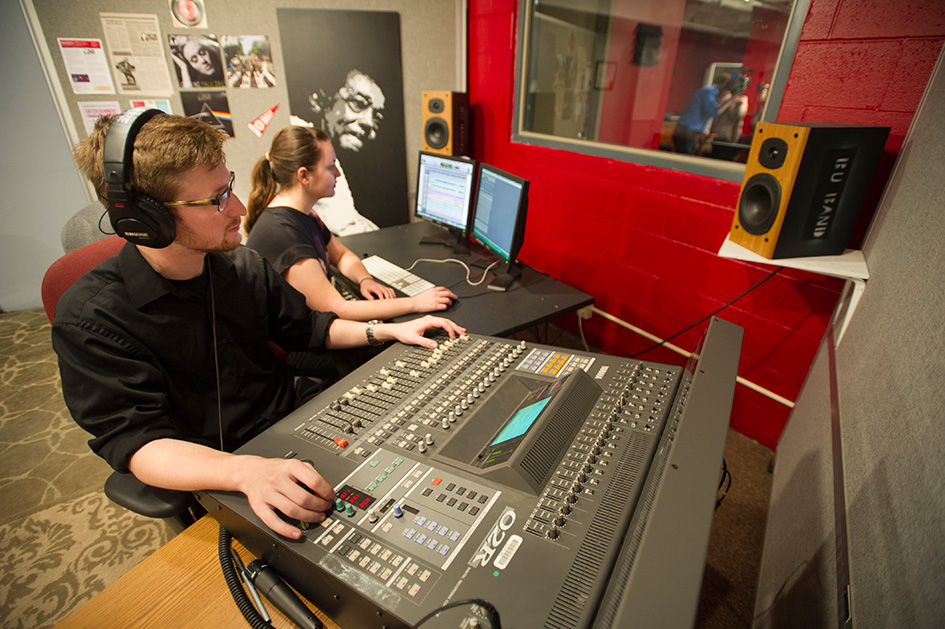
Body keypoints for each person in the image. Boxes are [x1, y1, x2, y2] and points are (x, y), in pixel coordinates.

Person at [53, 111, 466, 540]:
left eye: (228, 187)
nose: (237, 208)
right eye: (215, 200)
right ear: (146, 219)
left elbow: (312, 328)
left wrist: (388, 330)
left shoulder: (243, 266)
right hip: (218, 470)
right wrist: (242, 471)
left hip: (297, 421)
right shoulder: (90, 318)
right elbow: (137, 442)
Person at [245, 125, 457, 323]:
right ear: (304, 176)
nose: (337, 173)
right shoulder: (283, 235)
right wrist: (416, 303)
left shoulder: (305, 215)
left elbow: (342, 256)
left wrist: (364, 279)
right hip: (296, 353)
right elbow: (338, 309)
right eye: (330, 167)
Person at [290, 68, 388, 236]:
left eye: (376, 117)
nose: (368, 122)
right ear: (319, 101)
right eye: (358, 104)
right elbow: (344, 225)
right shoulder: (301, 140)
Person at [673, 73, 734, 155]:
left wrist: (703, 128)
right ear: (724, 84)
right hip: (686, 132)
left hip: (688, 131)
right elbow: (712, 112)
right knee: (684, 160)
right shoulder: (707, 92)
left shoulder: (709, 92)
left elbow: (700, 112)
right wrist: (730, 102)